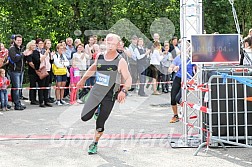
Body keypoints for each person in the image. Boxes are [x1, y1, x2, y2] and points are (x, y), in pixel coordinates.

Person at [77, 33, 132, 155]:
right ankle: (97, 110)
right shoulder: (100, 56)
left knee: (100, 124)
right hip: (96, 92)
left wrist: (123, 91)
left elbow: (129, 79)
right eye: (108, 43)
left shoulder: (120, 61)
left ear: (118, 45)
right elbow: (93, 68)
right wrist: (83, 79)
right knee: (84, 117)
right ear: (105, 43)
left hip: (109, 96)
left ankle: (94, 143)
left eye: (113, 44)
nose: (110, 46)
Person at [168, 55, 196, 123]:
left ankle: (183, 111)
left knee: (178, 98)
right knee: (173, 98)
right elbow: (171, 67)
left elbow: (196, 69)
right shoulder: (178, 58)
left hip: (187, 79)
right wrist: (171, 69)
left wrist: (194, 79)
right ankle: (175, 116)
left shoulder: (191, 58)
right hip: (178, 78)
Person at [8, 34, 28, 110]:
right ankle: (17, 104)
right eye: (18, 40)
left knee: (19, 88)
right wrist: (23, 54)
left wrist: (25, 56)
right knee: (16, 88)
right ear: (15, 40)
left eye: (20, 40)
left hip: (21, 70)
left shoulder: (22, 48)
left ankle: (17, 102)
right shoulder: (12, 49)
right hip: (14, 71)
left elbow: (23, 59)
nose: (19, 42)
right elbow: (14, 59)